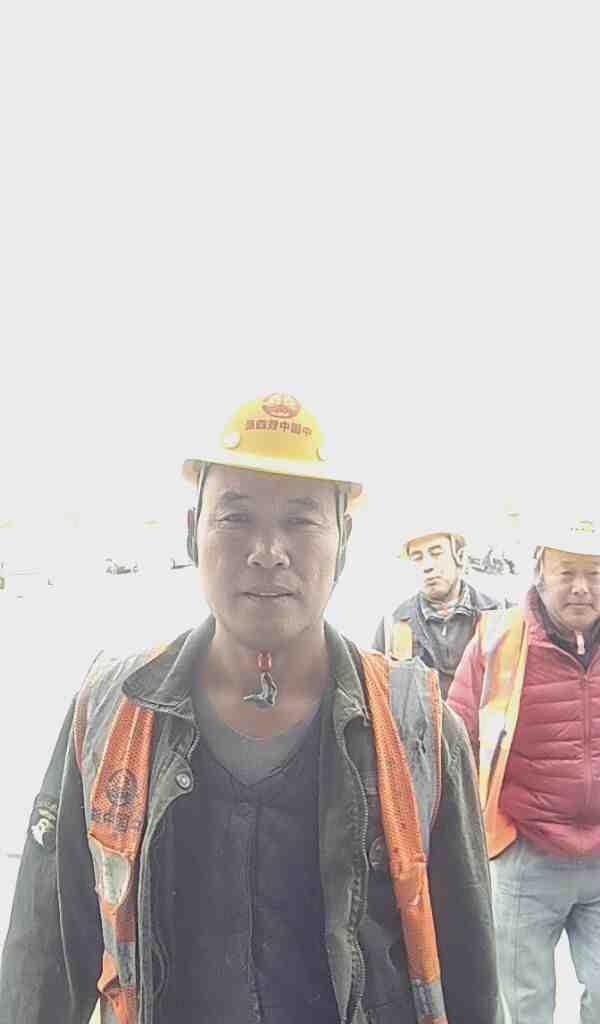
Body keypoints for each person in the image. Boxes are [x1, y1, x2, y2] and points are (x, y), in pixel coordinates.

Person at [0, 392, 501, 1024]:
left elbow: (469, 979)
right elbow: (42, 967)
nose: (268, 550)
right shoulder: (109, 712)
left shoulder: (417, 731)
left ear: (344, 540)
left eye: (300, 521)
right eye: (236, 518)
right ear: (193, 532)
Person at [447, 516, 600, 1024]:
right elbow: (454, 737)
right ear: (540, 571)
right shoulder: (500, 641)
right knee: (525, 1006)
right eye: (567, 571)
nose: (581, 587)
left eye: (595, 573)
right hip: (526, 857)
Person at [372, 525, 505, 698]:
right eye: (417, 558)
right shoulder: (394, 625)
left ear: (460, 557)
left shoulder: (499, 615)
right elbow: (377, 696)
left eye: (436, 553)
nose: (427, 566)